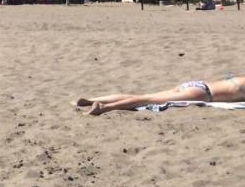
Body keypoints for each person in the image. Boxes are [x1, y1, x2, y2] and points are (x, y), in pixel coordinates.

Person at [75, 76, 245, 115]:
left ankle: (91, 100)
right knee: (145, 100)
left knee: (143, 95)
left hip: (197, 84)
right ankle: (104, 108)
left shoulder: (241, 78)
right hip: (202, 94)